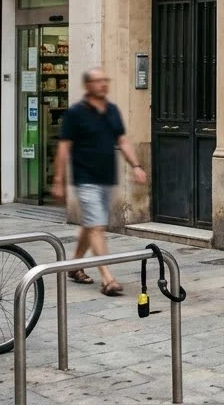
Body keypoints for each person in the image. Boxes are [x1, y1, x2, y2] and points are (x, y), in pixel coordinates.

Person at [52, 68, 146, 296]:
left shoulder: (112, 110)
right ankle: (107, 278)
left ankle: (74, 266)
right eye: (98, 81)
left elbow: (122, 140)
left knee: (91, 224)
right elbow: (64, 148)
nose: (103, 84)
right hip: (85, 178)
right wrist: (58, 179)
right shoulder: (75, 114)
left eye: (105, 80)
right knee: (97, 227)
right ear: (87, 86)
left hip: (106, 178)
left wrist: (136, 165)